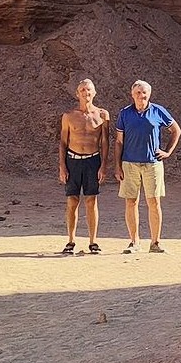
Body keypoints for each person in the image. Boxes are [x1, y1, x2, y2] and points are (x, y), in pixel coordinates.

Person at [112, 79, 181, 253]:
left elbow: (176, 130)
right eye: (138, 93)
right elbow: (119, 142)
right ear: (132, 94)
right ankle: (134, 241)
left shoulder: (158, 111)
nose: (141, 96)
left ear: (149, 94)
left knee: (154, 202)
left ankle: (155, 242)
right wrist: (117, 165)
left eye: (144, 93)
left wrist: (167, 151)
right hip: (129, 163)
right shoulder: (125, 113)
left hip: (152, 163)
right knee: (131, 202)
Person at [57, 78, 111, 254]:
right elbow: (63, 142)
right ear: (77, 94)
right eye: (82, 90)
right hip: (73, 161)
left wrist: (103, 165)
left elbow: (105, 142)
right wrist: (62, 166)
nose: (86, 93)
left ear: (94, 93)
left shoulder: (102, 115)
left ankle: (93, 241)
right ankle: (71, 241)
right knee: (72, 200)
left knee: (91, 200)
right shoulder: (68, 116)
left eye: (89, 90)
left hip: (92, 160)